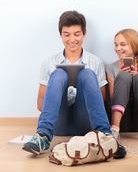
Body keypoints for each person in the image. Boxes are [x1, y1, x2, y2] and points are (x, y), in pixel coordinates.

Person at [22, 10, 126, 158]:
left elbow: (101, 101)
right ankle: (43, 136)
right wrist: (60, 91)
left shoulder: (95, 62)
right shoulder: (49, 63)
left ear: (84, 34)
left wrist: (79, 90)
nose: (72, 39)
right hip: (59, 122)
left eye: (77, 34)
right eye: (67, 34)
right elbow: (40, 104)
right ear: (60, 35)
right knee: (58, 73)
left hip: (85, 122)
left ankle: (106, 137)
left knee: (87, 73)